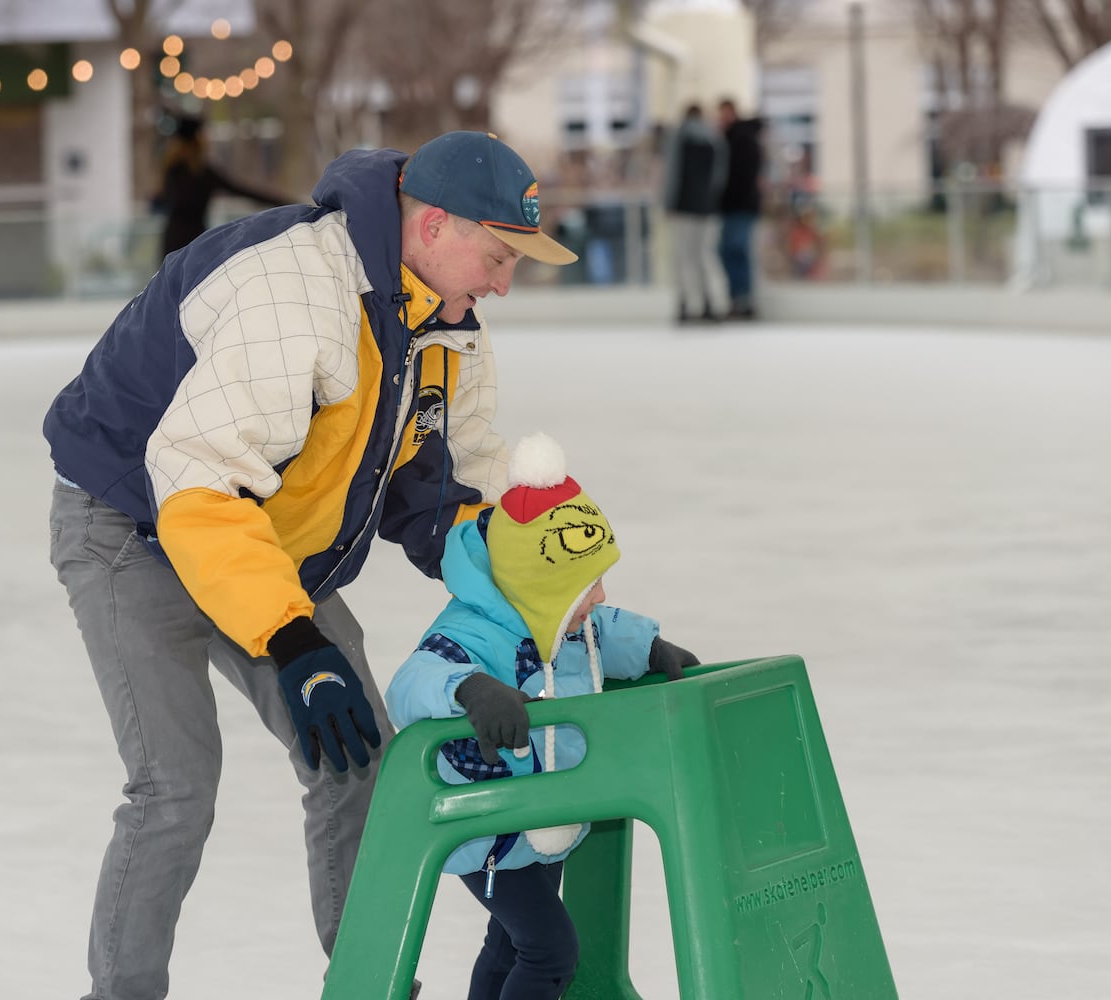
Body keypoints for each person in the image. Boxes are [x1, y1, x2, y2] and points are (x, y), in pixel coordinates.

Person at [42, 130, 578, 1000]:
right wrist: (293, 642)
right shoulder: (293, 287)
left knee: (364, 767)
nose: (503, 282)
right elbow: (201, 483)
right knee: (175, 789)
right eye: (497, 255)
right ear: (435, 226)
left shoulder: (445, 325)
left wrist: (565, 604)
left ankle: (367, 985)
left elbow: (450, 493)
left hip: (264, 536)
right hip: (131, 525)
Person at [384, 433, 701, 1000]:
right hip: (487, 823)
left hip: (544, 812)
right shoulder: (474, 634)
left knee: (509, 946)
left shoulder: (564, 619)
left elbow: (603, 632)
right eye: (588, 585)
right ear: (543, 588)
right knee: (551, 952)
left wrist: (650, 649)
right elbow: (412, 683)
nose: (600, 596)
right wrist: (473, 690)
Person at [156, 116, 290, 259]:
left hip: (174, 241)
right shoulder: (203, 174)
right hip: (195, 242)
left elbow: (163, 202)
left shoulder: (172, 171)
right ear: (198, 142)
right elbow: (240, 190)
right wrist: (284, 203)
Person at [661, 103, 727, 324]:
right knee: (705, 256)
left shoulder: (679, 137)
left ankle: (685, 303)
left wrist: (668, 202)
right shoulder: (715, 139)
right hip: (708, 208)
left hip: (683, 206)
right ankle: (712, 302)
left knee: (682, 257)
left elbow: (672, 172)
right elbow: (720, 176)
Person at [715, 98, 766, 320]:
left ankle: (743, 299)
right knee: (728, 251)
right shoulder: (730, 138)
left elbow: (743, 177)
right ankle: (737, 298)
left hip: (741, 206)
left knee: (736, 251)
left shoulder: (741, 139)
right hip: (732, 206)